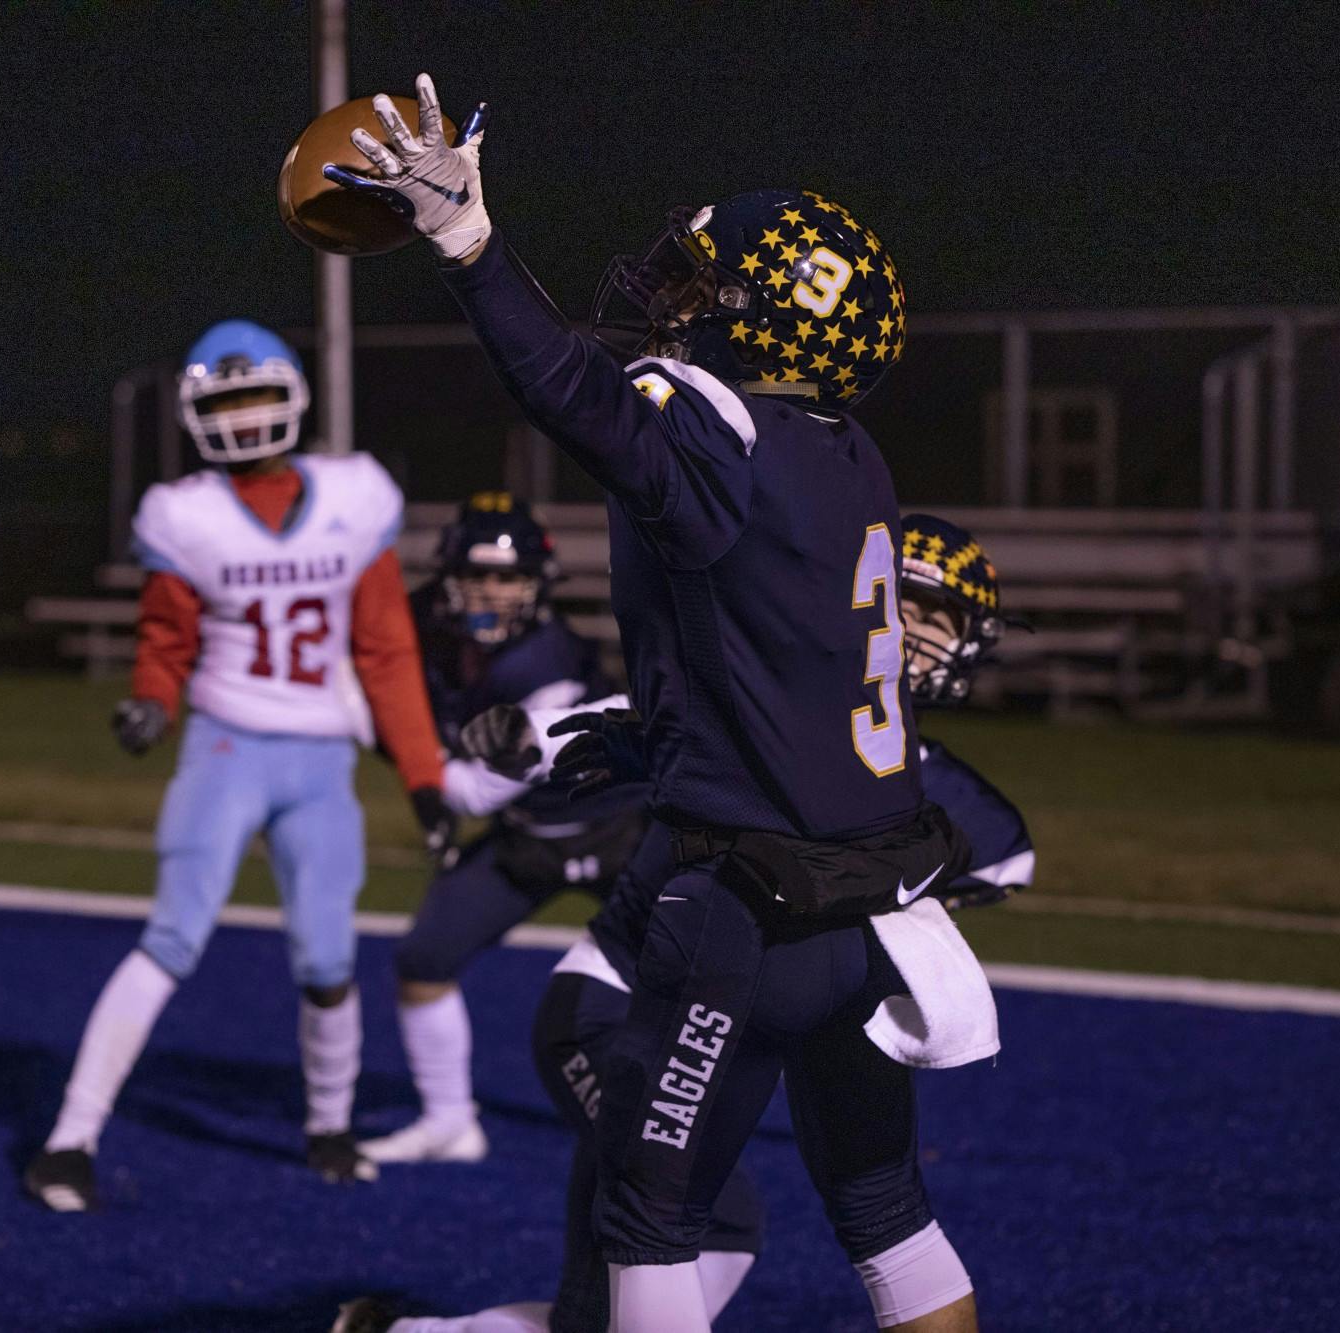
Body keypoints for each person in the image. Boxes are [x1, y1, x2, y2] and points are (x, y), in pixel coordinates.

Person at [328, 78, 989, 1331]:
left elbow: (571, 396)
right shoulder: (848, 456)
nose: (676, 302)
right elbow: (775, 651)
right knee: (886, 1209)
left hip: (742, 907)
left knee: (646, 1218)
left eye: (704, 286)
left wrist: (467, 245)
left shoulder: (712, 430)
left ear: (758, 325)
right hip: (874, 908)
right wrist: (661, 730)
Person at [335, 513, 1032, 1333]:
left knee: (720, 1239)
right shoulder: (760, 707)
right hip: (618, 1010)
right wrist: (530, 738)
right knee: (653, 1254)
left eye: (929, 617)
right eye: (896, 604)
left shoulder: (910, 767)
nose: (906, 632)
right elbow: (640, 708)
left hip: (733, 1020)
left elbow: (1006, 856)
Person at [22, 320, 454, 1208]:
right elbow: (166, 637)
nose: (247, 415)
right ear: (197, 415)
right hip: (226, 743)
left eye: (257, 394)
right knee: (173, 935)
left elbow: (387, 652)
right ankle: (70, 1136)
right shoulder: (186, 514)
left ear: (293, 394)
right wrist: (153, 697)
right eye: (226, 401)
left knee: (330, 956)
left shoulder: (352, 493)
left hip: (320, 757)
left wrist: (423, 775)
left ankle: (329, 1124)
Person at [362, 492, 648, 1166]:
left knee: (709, 972)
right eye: (479, 573)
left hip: (619, 831)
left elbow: (470, 790)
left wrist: (393, 740)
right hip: (527, 838)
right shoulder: (435, 640)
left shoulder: (548, 663)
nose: (493, 590)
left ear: (538, 585)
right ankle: (449, 1120)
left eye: (509, 576)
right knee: (425, 958)